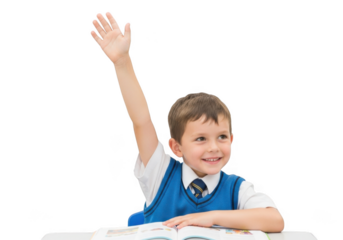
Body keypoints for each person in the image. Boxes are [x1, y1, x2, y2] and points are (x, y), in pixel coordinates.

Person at [90, 10, 285, 232]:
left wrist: (210, 217)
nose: (214, 147)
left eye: (221, 137)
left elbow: (276, 221)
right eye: (201, 138)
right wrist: (122, 61)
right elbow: (141, 121)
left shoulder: (237, 189)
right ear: (176, 147)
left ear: (232, 139)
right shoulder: (160, 174)